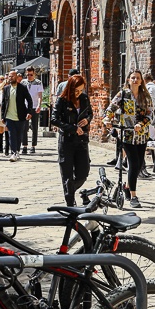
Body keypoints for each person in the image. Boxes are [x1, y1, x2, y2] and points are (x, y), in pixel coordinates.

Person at [104, 69, 152, 209]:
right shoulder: (123, 94)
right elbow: (111, 108)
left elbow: (149, 115)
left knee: (138, 165)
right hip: (127, 134)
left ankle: (127, 186)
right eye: (133, 78)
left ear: (141, 80)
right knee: (133, 162)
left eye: (137, 78)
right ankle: (134, 196)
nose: (135, 80)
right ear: (128, 80)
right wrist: (108, 119)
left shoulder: (146, 97)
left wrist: (141, 124)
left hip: (142, 134)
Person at [52, 74, 92, 206]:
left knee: (83, 172)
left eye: (81, 90)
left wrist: (87, 120)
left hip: (81, 140)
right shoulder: (62, 101)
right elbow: (54, 119)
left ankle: (70, 191)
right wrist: (72, 128)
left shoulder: (85, 98)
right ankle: (70, 203)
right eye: (76, 90)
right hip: (67, 141)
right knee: (67, 173)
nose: (78, 93)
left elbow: (90, 113)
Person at [0, 69, 34, 162]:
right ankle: (13, 152)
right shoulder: (6, 88)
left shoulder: (22, 88)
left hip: (20, 116)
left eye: (12, 76)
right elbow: (4, 103)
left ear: (17, 77)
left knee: (19, 135)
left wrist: (29, 112)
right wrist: (3, 116)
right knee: (11, 135)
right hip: (9, 116)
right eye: (9, 76)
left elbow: (29, 100)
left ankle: (17, 151)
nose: (10, 78)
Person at [21, 67, 44, 154]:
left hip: (34, 106)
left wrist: (39, 105)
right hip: (25, 107)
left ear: (34, 74)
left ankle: (33, 146)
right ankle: (24, 145)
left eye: (31, 75)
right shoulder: (23, 82)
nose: (29, 76)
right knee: (24, 127)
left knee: (34, 127)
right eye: (28, 75)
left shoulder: (38, 82)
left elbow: (39, 95)